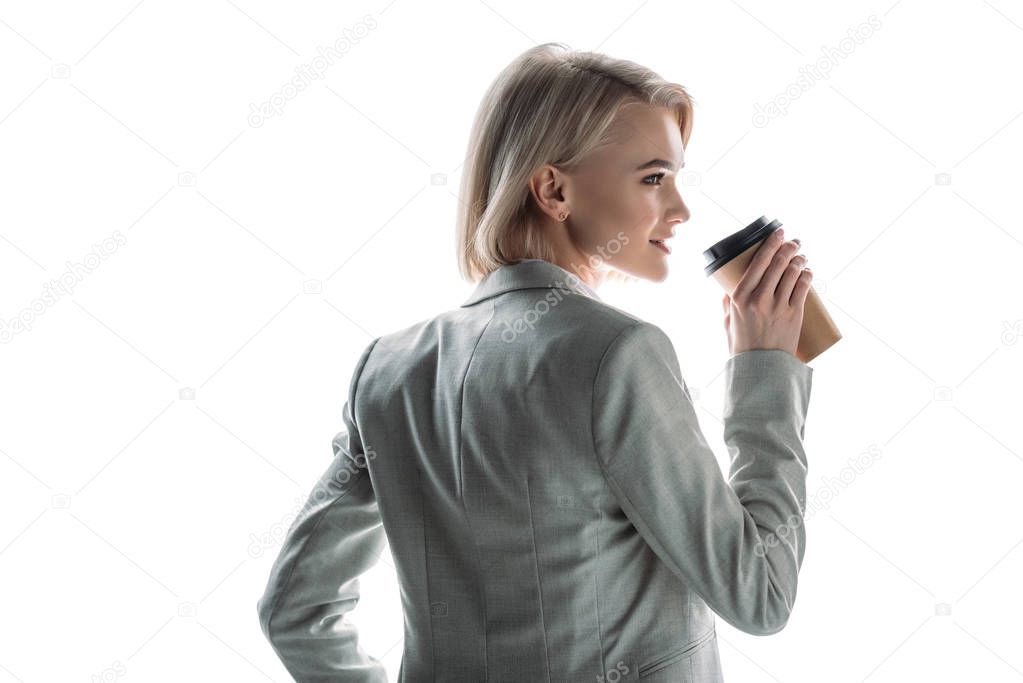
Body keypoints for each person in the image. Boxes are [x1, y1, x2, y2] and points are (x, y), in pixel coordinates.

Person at [256, 42, 813, 682]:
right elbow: (761, 594)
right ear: (553, 189)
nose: (681, 209)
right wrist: (767, 368)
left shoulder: (389, 369)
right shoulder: (618, 354)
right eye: (654, 178)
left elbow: (294, 610)